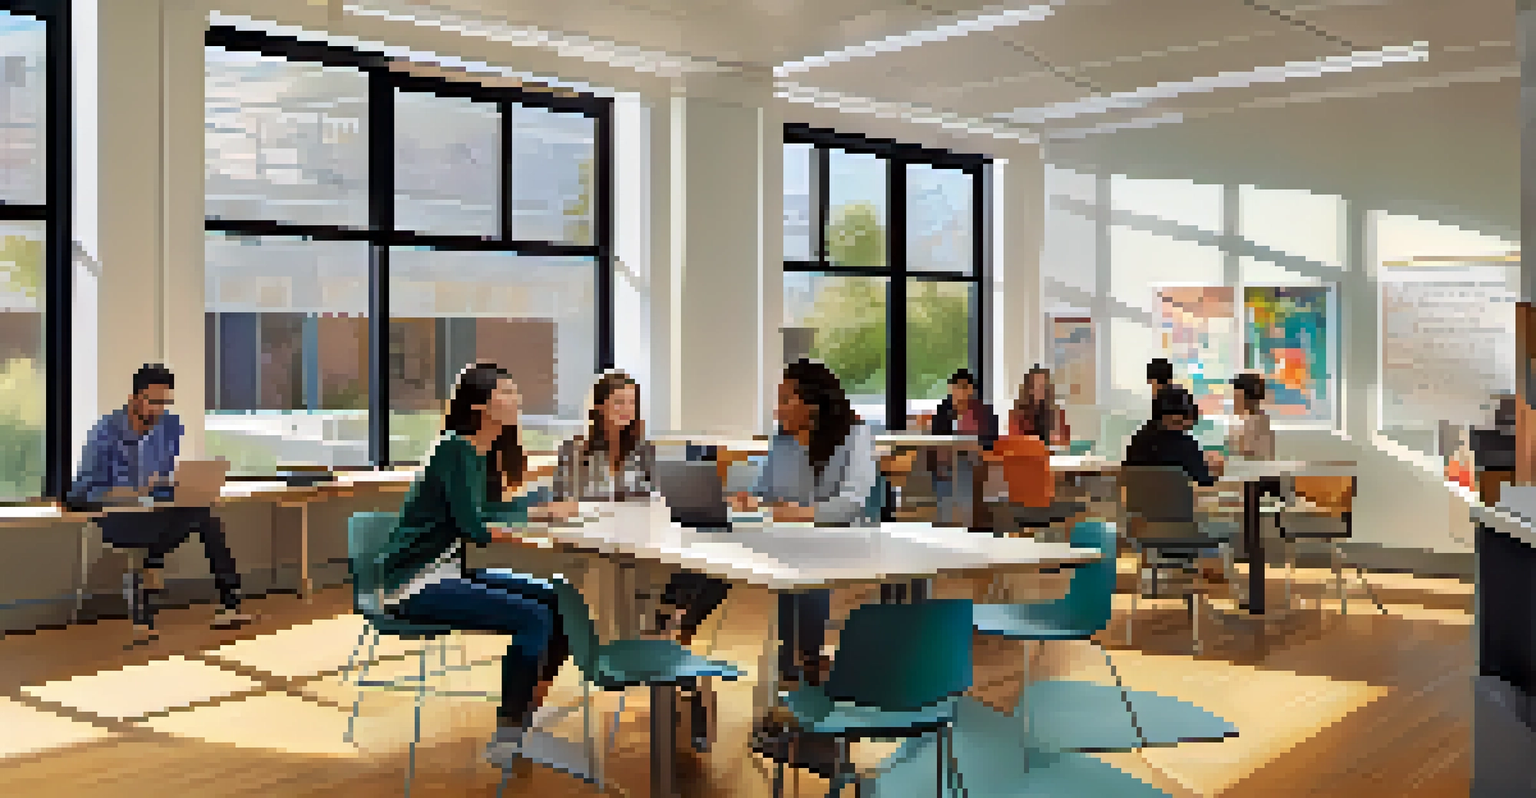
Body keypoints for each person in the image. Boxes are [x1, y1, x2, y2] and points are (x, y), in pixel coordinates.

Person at [375, 363, 578, 763]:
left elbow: (491, 509)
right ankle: (507, 735)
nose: (517, 400)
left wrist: (541, 506)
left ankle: (526, 710)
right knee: (534, 616)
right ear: (482, 404)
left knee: (561, 600)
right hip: (414, 582)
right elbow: (476, 527)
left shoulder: (479, 453)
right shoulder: (455, 447)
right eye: (507, 392)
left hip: (448, 571)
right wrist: (534, 523)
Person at [69, 364, 249, 640]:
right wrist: (127, 492)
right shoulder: (104, 431)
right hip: (117, 519)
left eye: (165, 402)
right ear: (134, 399)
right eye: (153, 402)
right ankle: (146, 591)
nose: (159, 410)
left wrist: (175, 488)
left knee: (203, 513)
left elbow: (163, 477)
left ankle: (231, 602)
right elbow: (81, 492)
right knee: (170, 526)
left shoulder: (170, 426)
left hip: (155, 512)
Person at [729, 359, 878, 688]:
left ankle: (805, 662)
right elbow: (765, 491)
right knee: (784, 558)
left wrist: (794, 513)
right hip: (789, 537)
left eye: (785, 400)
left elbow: (851, 503)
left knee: (803, 563)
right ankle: (793, 666)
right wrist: (748, 500)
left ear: (812, 404)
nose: (776, 411)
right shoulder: (782, 441)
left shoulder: (854, 434)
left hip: (842, 539)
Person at [1123, 385, 1229, 584]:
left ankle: (1155, 569)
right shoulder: (1185, 444)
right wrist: (1214, 465)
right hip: (1184, 531)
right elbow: (1206, 480)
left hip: (1141, 531)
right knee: (1221, 525)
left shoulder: (1137, 441)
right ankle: (1212, 577)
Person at [929, 369, 1000, 529]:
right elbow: (937, 437)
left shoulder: (982, 412)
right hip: (946, 463)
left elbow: (990, 440)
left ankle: (964, 522)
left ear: (971, 390)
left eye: (963, 387)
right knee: (947, 471)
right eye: (955, 387)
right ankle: (949, 522)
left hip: (975, 461)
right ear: (950, 389)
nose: (959, 392)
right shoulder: (943, 410)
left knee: (963, 466)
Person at [1013, 366, 1070, 447]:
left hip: (1052, 455)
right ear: (1028, 388)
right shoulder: (1018, 413)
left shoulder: (1056, 412)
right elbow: (1016, 441)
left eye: (1042, 385)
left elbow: (1065, 441)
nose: (1038, 389)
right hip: (1028, 455)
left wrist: (1056, 437)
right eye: (1034, 385)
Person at [1228, 372, 1275, 461]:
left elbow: (1243, 457)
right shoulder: (1259, 419)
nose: (1234, 402)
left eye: (1236, 397)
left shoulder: (1252, 423)